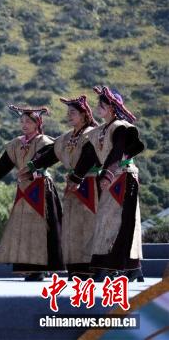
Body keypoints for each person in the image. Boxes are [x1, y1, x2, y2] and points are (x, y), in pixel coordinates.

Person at [0, 105, 64, 281]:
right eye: (22, 121)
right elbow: (3, 166)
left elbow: (50, 158)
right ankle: (27, 266)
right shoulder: (16, 144)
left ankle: (40, 268)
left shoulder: (45, 142)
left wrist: (33, 168)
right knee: (23, 228)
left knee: (41, 228)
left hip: (41, 188)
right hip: (24, 190)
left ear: (37, 123)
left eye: (28, 121)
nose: (24, 124)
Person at [68, 86, 145, 282]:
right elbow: (89, 156)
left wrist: (108, 173)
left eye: (101, 105)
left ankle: (122, 267)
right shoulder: (98, 132)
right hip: (108, 179)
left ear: (111, 107)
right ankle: (120, 267)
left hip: (124, 177)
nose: (98, 107)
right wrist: (76, 179)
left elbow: (118, 151)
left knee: (124, 221)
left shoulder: (121, 127)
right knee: (106, 220)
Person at [24, 96, 98, 280]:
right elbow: (51, 154)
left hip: (90, 183)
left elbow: (89, 158)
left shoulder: (92, 134)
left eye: (72, 112)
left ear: (84, 115)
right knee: (72, 226)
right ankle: (76, 268)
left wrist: (77, 176)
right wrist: (33, 166)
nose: (68, 115)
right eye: (68, 112)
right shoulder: (66, 137)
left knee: (89, 224)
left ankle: (92, 268)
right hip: (73, 185)